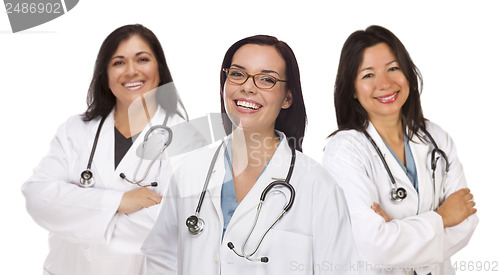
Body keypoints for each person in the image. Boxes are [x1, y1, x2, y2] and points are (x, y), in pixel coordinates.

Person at [142, 35, 358, 274]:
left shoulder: (318, 186)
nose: (247, 86)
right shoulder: (190, 173)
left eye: (267, 79)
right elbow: (160, 259)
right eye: (237, 74)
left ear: (287, 98)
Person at [22, 24, 206, 275]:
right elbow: (37, 196)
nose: (131, 71)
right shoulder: (75, 130)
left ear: (159, 70)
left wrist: (74, 215)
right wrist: (119, 201)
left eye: (142, 59)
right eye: (118, 62)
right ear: (105, 75)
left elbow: (167, 222)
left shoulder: (188, 140)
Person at [322, 25, 479, 275]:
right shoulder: (344, 151)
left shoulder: (437, 138)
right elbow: (373, 244)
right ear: (351, 88)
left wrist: (396, 234)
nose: (385, 83)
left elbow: (466, 222)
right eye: (368, 75)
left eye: (393, 68)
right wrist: (442, 218)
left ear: (407, 73)